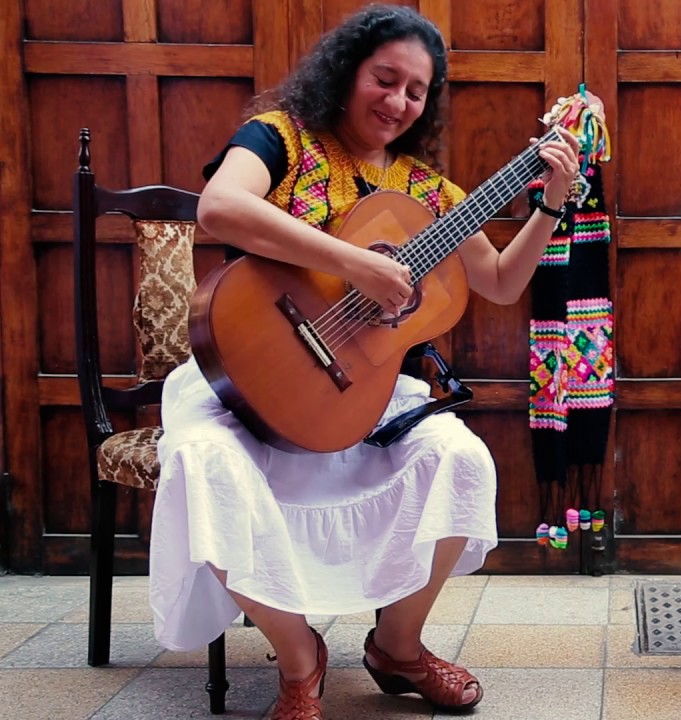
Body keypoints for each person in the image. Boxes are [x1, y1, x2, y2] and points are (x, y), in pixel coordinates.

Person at [147, 5, 583, 719]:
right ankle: (300, 660)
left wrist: (551, 205)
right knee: (203, 465)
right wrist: (357, 265)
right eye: (385, 79)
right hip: (244, 375)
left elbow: (502, 281)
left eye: (416, 92)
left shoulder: (426, 191)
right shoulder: (281, 137)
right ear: (347, 70)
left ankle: (398, 646)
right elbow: (220, 209)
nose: (398, 101)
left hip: (354, 389)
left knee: (460, 457)